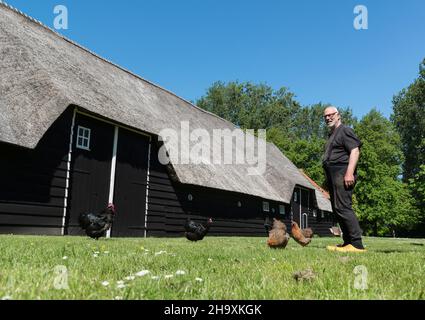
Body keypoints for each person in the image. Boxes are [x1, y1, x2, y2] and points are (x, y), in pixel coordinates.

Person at [322, 106, 366, 253]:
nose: (328, 118)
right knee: (336, 208)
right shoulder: (332, 135)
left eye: (331, 115)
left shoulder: (345, 130)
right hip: (333, 175)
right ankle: (348, 242)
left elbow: (355, 150)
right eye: (325, 116)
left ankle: (357, 244)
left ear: (338, 115)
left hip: (342, 172)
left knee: (343, 207)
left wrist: (349, 172)